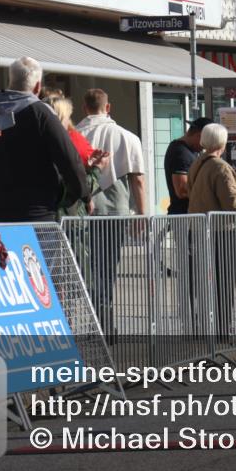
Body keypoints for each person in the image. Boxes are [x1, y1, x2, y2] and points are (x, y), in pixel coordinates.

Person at [0, 58, 90, 222]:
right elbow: (69, 158)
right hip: (34, 212)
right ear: (38, 86)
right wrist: (83, 194)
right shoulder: (41, 113)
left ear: (10, 80)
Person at [76, 88, 148, 343]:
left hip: (83, 211)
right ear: (108, 107)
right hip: (116, 211)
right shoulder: (127, 137)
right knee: (107, 267)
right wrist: (142, 214)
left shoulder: (75, 135)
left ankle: (92, 322)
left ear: (84, 107)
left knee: (85, 269)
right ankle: (104, 323)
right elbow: (137, 180)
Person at [188, 123, 236, 340]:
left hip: (200, 229)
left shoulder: (197, 164)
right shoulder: (221, 168)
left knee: (206, 283)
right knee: (224, 283)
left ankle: (207, 329)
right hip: (222, 232)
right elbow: (233, 204)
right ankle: (223, 330)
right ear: (223, 143)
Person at [40, 94, 109, 217]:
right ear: (60, 118)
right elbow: (76, 187)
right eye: (68, 117)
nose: (69, 122)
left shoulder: (36, 143)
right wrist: (97, 169)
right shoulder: (64, 145)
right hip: (62, 219)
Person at [164, 117, 215, 215]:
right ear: (199, 135)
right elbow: (182, 190)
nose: (205, 146)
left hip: (188, 214)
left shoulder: (189, 151)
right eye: (207, 140)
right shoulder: (180, 153)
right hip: (184, 216)